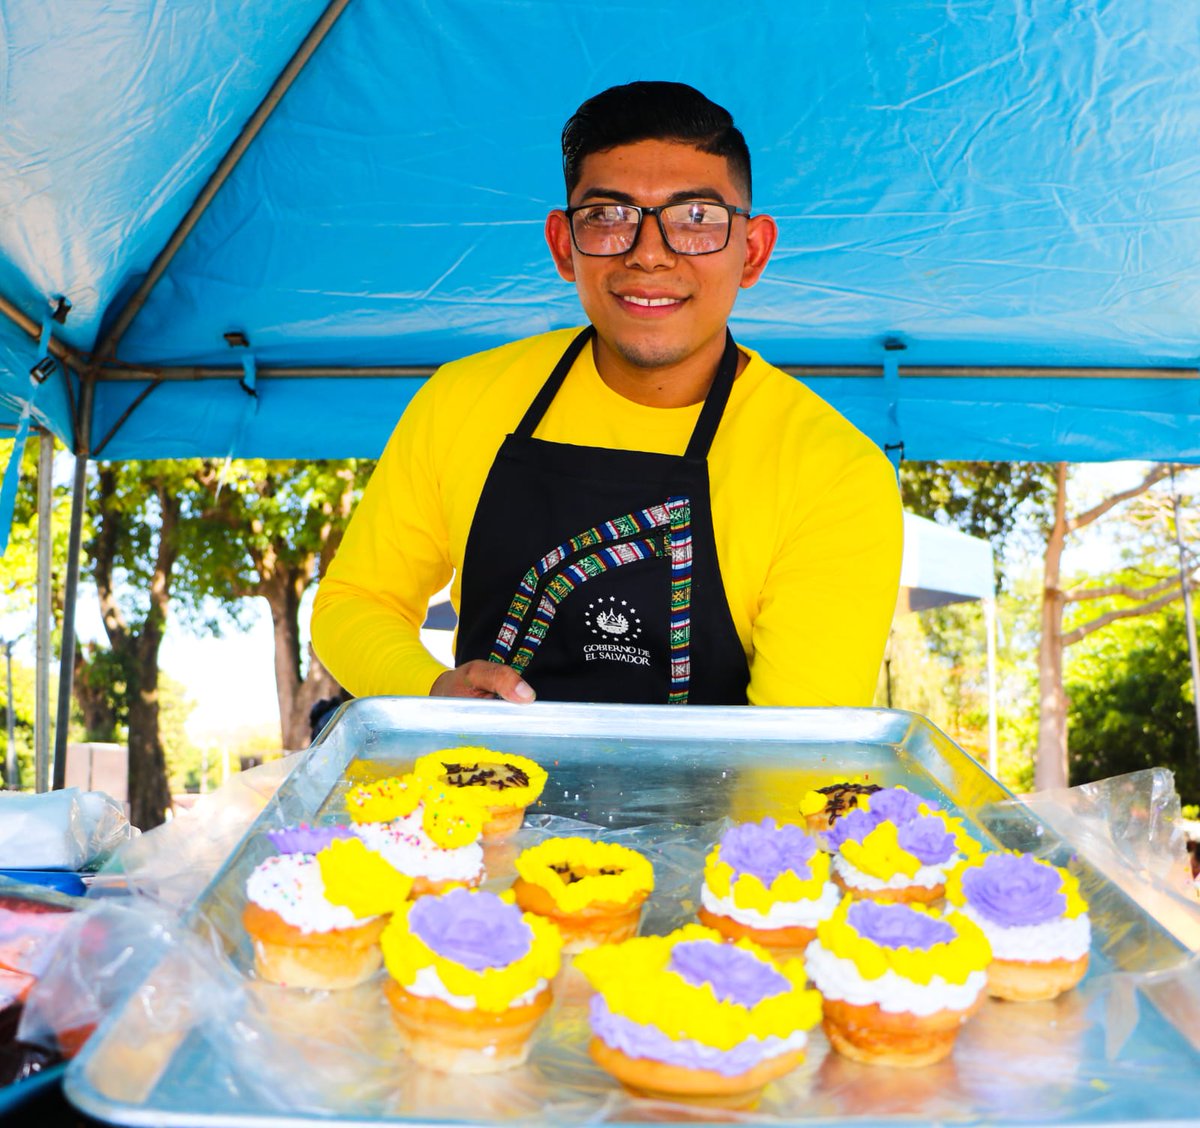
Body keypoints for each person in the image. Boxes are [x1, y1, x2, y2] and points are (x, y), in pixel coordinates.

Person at [311, 81, 902, 708]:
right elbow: (354, 604)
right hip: (483, 802)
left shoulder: (833, 473)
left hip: (723, 809)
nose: (649, 254)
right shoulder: (458, 402)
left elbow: (794, 756)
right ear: (564, 246)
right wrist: (431, 692)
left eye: (696, 219)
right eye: (608, 216)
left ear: (751, 251)